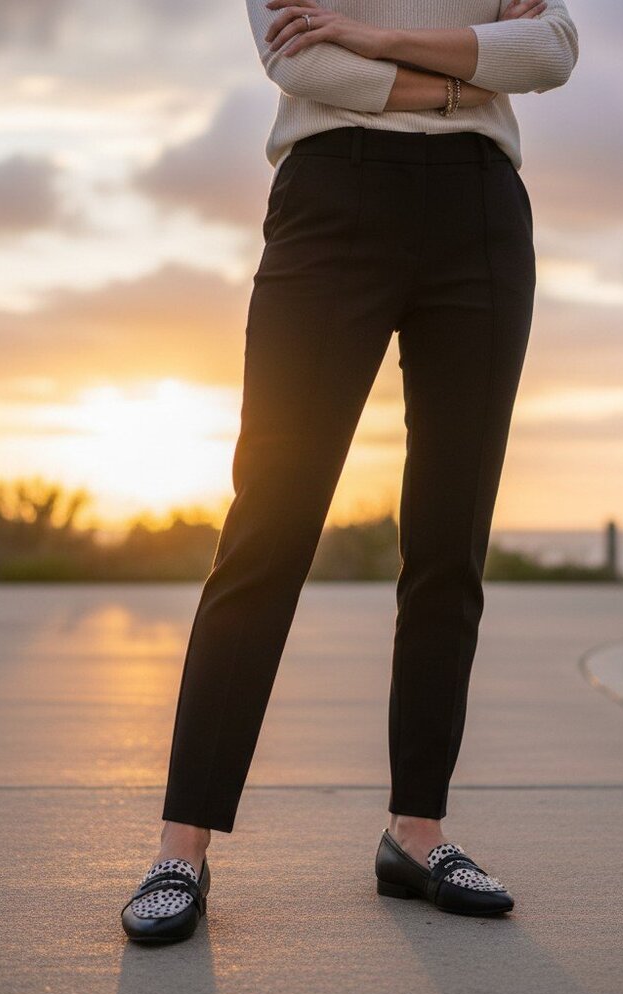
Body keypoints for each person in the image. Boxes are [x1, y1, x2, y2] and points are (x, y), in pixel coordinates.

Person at [121, 0, 578, 943]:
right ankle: (180, 849)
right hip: (333, 199)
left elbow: (554, 49)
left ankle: (418, 832)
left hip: (481, 212)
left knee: (449, 539)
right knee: (268, 532)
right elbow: (300, 66)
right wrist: (469, 73)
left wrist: (374, 36)